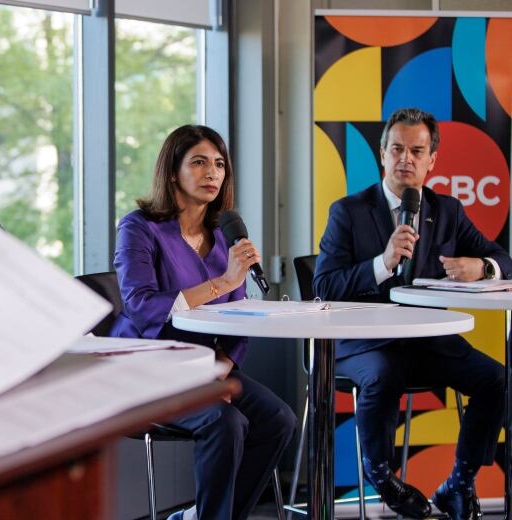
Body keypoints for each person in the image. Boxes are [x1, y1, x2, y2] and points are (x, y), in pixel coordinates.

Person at [314, 107, 511, 520]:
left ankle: (458, 484)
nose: (406, 159)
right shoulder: (347, 211)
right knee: (383, 374)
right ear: (382, 154)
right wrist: (382, 263)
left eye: (416, 151)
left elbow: (502, 259)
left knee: (495, 378)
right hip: (363, 340)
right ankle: (383, 477)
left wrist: (482, 267)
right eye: (397, 149)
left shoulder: (448, 211)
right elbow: (324, 286)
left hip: (425, 340)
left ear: (431, 160)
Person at [111, 124, 296, 520]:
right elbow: (142, 306)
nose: (212, 172)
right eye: (198, 162)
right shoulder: (138, 228)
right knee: (224, 423)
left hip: (206, 366)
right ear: (173, 171)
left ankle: (207, 516)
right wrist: (224, 282)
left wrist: (221, 368)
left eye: (219, 164)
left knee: (279, 419)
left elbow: (238, 315)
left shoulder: (223, 233)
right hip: (147, 366)